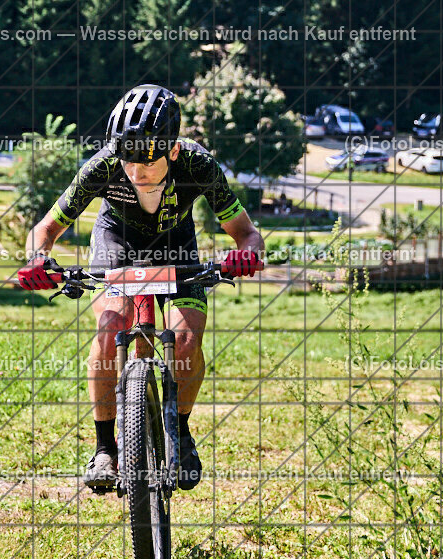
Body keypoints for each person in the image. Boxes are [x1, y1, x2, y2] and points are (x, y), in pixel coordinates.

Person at [16, 84, 264, 492]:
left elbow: (246, 233)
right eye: (127, 160)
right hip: (117, 243)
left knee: (185, 340)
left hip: (176, 246)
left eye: (147, 162)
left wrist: (247, 255)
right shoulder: (104, 165)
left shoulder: (198, 165)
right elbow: (45, 229)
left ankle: (179, 433)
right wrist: (38, 259)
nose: (136, 172)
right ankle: (103, 448)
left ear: (174, 151)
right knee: (111, 328)